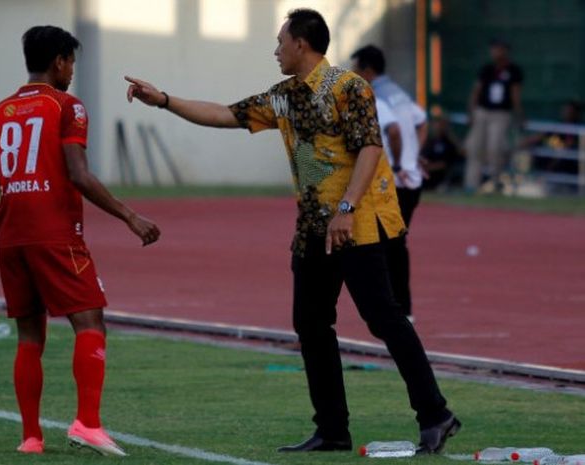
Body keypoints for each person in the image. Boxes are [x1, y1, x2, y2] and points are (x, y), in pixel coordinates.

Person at [125, 8, 459, 454]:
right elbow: (225, 114)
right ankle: (333, 430)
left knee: (383, 318)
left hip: (356, 223)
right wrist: (164, 99)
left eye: (280, 42)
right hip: (313, 228)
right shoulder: (282, 97)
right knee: (311, 323)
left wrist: (345, 208)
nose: (275, 50)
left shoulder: (348, 87)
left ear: (301, 43)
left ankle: (435, 414)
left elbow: (370, 149)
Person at [0, 25, 160, 456]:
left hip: (11, 239)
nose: (72, 70)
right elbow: (78, 174)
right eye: (71, 61)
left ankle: (31, 438)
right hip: (55, 235)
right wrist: (129, 216)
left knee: (29, 336)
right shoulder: (67, 107)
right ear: (59, 61)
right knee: (91, 322)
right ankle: (87, 423)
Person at [351, 45, 428, 321]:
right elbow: (421, 121)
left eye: (356, 69)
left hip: (393, 182)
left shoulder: (375, 96)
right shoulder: (399, 93)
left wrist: (397, 164)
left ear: (368, 71)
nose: (353, 75)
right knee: (394, 245)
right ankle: (399, 309)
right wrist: (414, 155)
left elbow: (394, 131)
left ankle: (396, 309)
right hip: (412, 181)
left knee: (384, 247)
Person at [464, 39, 524, 192]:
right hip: (483, 111)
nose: (495, 53)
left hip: (501, 113)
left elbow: (515, 94)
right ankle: (471, 184)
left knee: (495, 147)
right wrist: (471, 112)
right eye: (493, 49)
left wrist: (519, 115)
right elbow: (476, 91)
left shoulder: (513, 70)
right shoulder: (487, 69)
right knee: (475, 148)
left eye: (499, 49)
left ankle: (495, 182)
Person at [420, 113, 462, 191]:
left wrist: (429, 167)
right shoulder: (431, 141)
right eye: (437, 123)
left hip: (440, 177)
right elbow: (423, 157)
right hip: (426, 175)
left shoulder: (449, 142)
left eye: (442, 124)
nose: (438, 126)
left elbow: (446, 163)